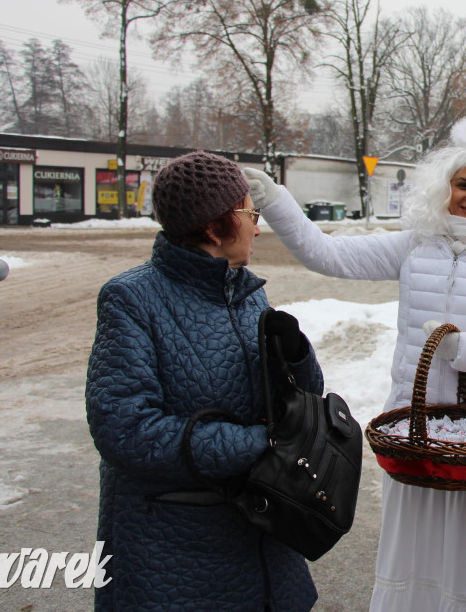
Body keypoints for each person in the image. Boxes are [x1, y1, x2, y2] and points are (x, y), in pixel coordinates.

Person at [243, 117, 466, 611]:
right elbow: (329, 255)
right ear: (444, 187)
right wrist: (277, 200)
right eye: (462, 184)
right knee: (416, 554)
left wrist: (463, 349)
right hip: (413, 433)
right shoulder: (414, 245)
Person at [86, 151, 321, 610]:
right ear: (214, 228)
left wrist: (295, 358)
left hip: (262, 538)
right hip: (175, 548)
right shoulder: (132, 299)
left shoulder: (246, 290)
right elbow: (126, 430)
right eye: (250, 214)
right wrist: (260, 445)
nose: (257, 227)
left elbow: (298, 401)